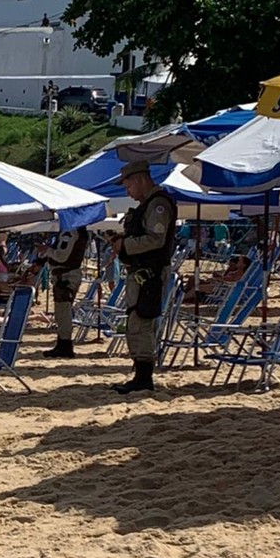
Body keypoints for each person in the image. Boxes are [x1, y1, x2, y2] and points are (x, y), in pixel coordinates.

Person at [109, 160, 177, 394]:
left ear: (139, 180)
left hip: (151, 274)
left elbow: (155, 239)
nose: (128, 192)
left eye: (128, 186)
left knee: (142, 323)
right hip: (141, 273)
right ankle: (140, 372)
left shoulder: (158, 204)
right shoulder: (148, 204)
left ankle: (144, 377)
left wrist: (125, 245)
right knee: (136, 322)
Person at [37, 227, 89, 358]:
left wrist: (47, 250)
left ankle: (65, 344)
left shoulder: (71, 232)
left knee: (63, 312)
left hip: (66, 276)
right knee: (62, 312)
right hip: (65, 275)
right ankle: (63, 343)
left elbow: (62, 256)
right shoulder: (75, 232)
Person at [182, 255, 251, 303]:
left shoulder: (241, 274)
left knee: (197, 287)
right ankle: (186, 296)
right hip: (218, 284)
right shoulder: (235, 271)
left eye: (239, 261)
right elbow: (225, 277)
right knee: (192, 279)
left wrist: (217, 279)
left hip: (221, 288)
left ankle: (182, 298)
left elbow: (231, 282)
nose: (237, 262)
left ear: (244, 265)